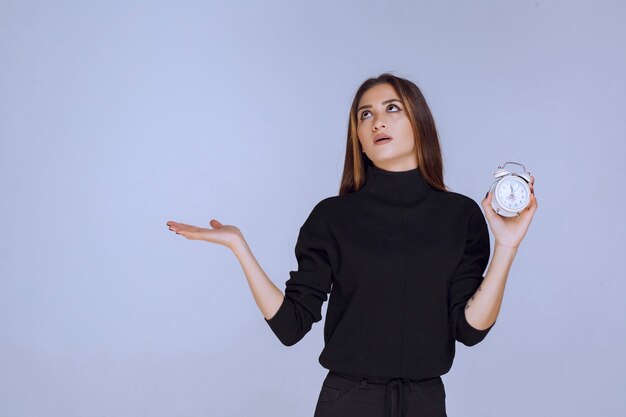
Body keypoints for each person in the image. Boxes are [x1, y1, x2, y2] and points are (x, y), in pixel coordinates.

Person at [166, 73, 538, 417]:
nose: (377, 121)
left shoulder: (461, 216)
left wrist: (506, 247)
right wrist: (239, 247)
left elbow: (470, 330)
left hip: (425, 401)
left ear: (419, 122)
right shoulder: (332, 217)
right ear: (358, 138)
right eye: (365, 115)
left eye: (392, 108)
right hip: (348, 401)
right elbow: (290, 327)